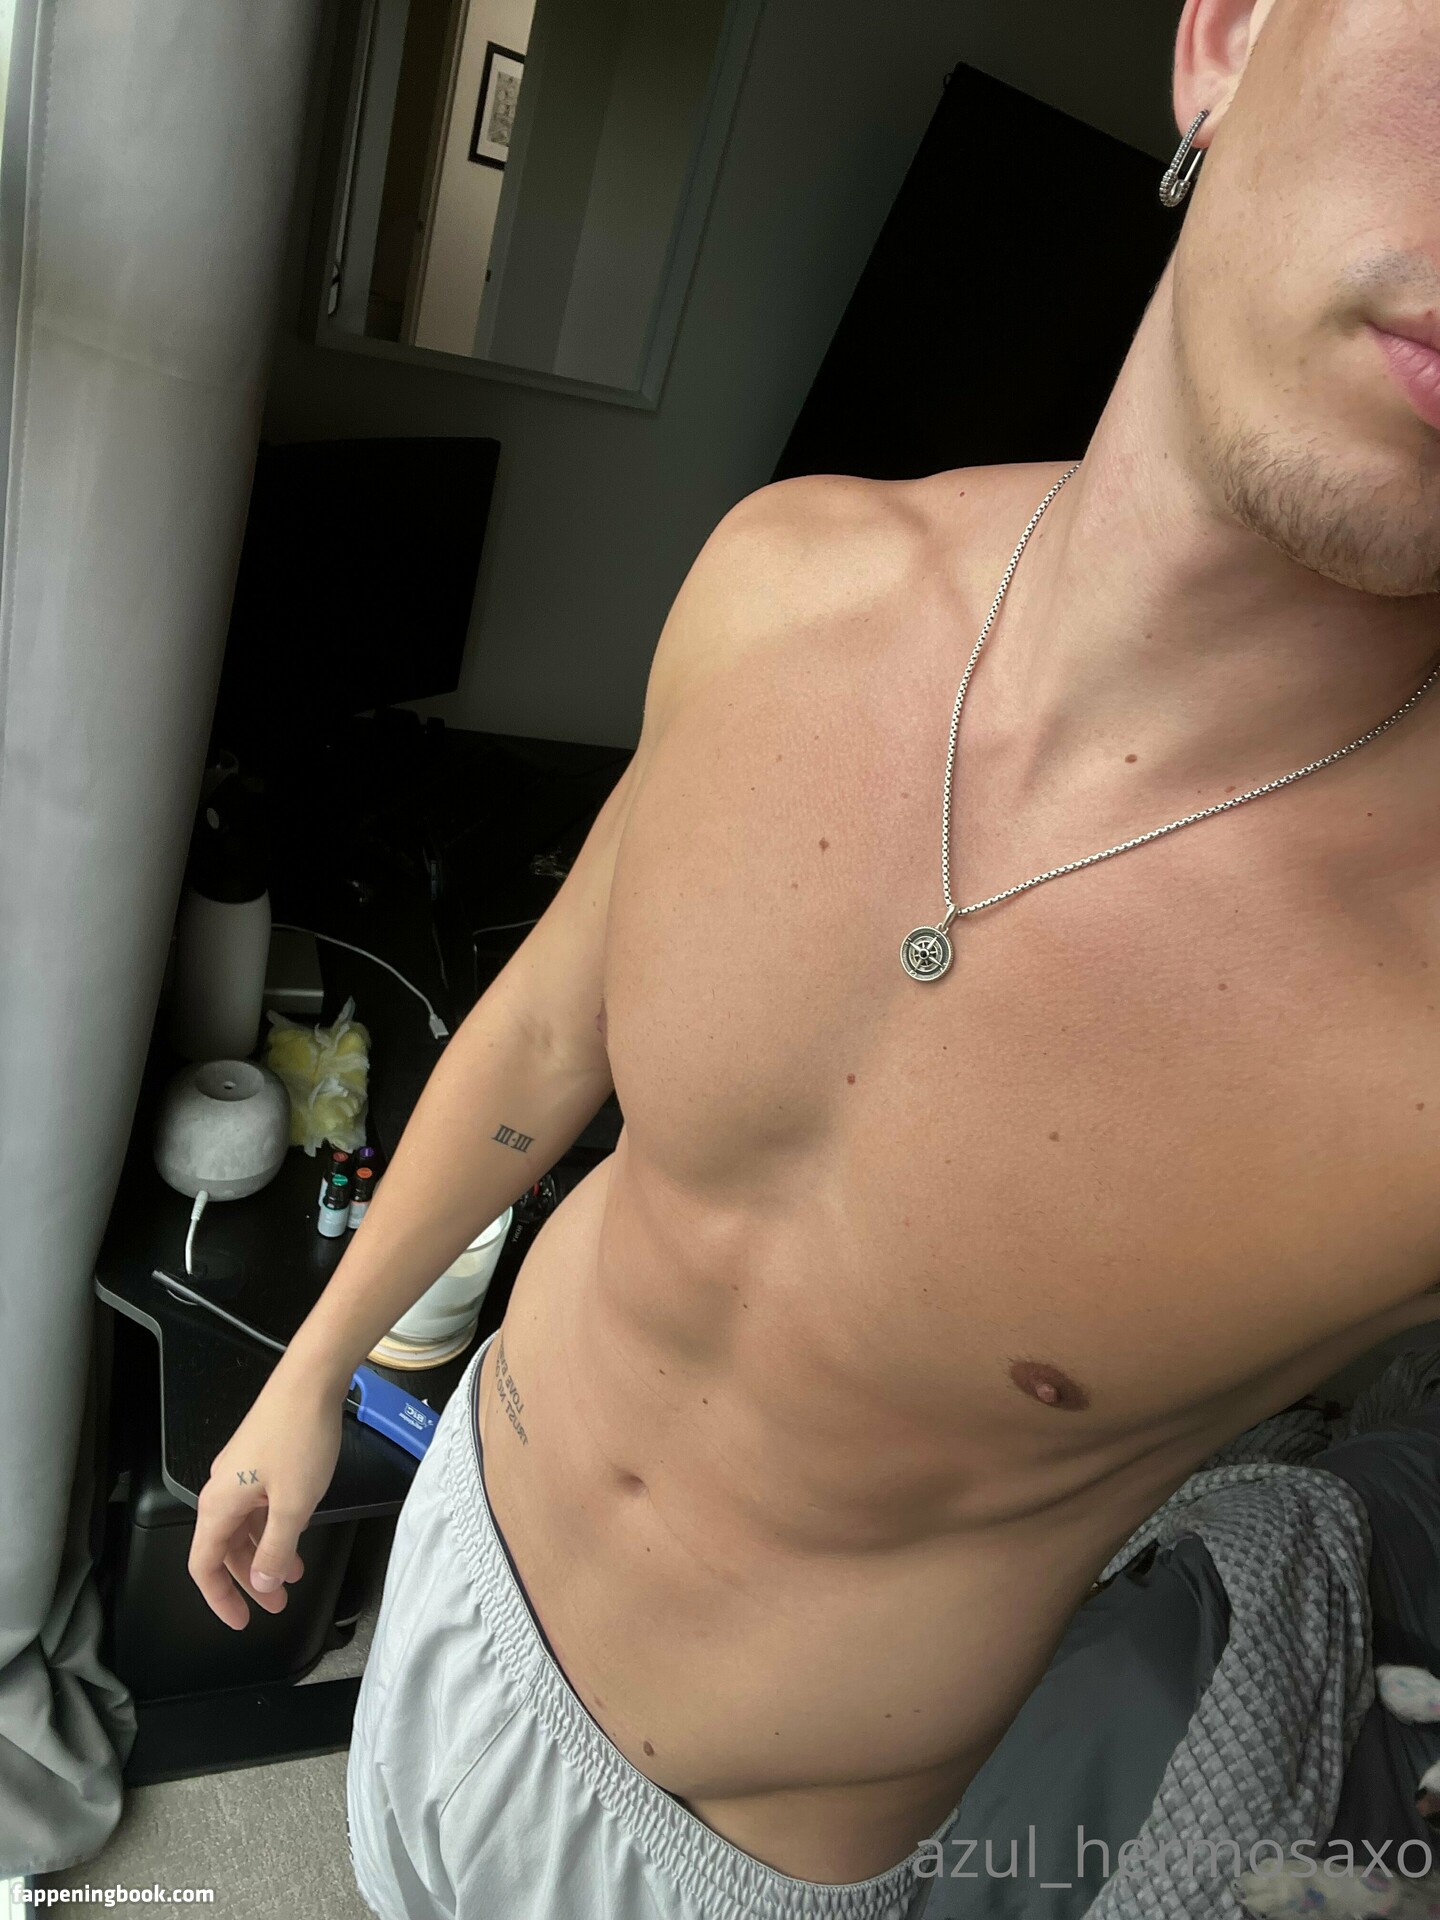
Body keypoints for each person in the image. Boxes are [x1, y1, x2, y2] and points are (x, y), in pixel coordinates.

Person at [187, 0, 1440, 1913]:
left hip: (733, 1856)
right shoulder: (784, 578)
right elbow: (547, 1029)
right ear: (1227, 40)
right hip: (460, 1565)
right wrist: (316, 1362)